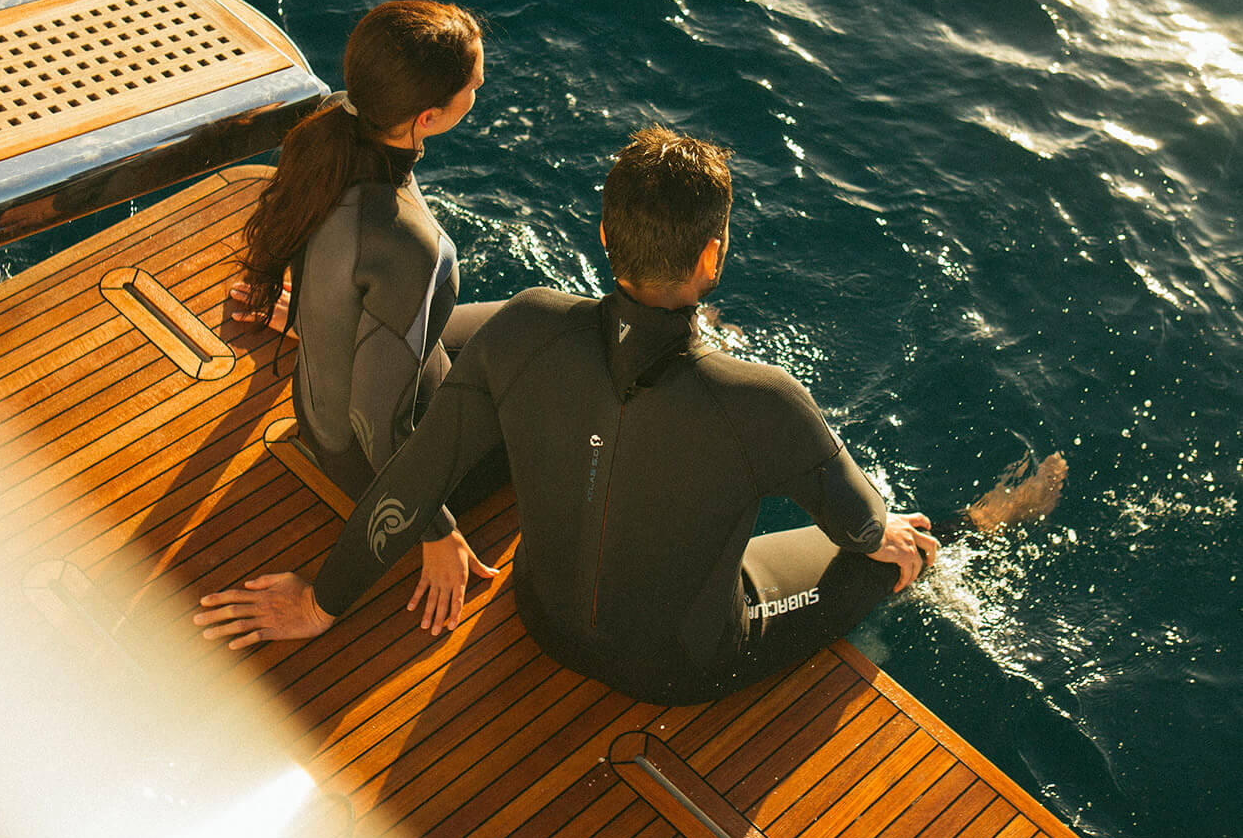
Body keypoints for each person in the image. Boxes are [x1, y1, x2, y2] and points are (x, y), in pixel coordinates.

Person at [198, 127, 1065, 702]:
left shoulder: (528, 327)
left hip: (539, 619)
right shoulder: (766, 402)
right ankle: (984, 521)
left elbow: (413, 474)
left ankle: (659, 315)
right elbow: (861, 526)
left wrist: (323, 601)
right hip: (681, 669)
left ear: (606, 237)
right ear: (713, 258)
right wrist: (895, 541)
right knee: (903, 548)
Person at [229, 0, 508, 634]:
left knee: (535, 316)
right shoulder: (416, 247)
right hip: (366, 463)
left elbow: (337, 267)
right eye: (473, 85)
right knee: (557, 387)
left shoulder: (335, 120)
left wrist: (307, 318)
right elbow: (378, 427)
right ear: (428, 118)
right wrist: (436, 530)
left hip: (316, 402)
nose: (482, 86)